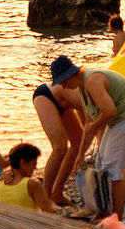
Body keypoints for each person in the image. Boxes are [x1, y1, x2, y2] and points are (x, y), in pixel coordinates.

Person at [53, 55, 125, 221]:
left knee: (113, 170)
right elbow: (89, 125)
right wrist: (80, 154)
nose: (62, 85)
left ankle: (116, 217)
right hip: (118, 121)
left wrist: (94, 126)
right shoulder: (82, 90)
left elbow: (110, 110)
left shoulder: (92, 81)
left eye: (63, 81)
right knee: (100, 164)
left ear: (71, 75)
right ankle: (103, 211)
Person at [32, 77, 85, 206]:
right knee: (60, 147)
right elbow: (92, 122)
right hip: (46, 95)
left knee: (78, 141)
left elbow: (85, 118)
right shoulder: (95, 94)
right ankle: (46, 197)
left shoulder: (100, 96)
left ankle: (57, 192)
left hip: (65, 101)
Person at [0, 142, 60, 213]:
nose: (35, 168)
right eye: (34, 164)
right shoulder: (32, 185)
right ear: (22, 163)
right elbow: (48, 213)